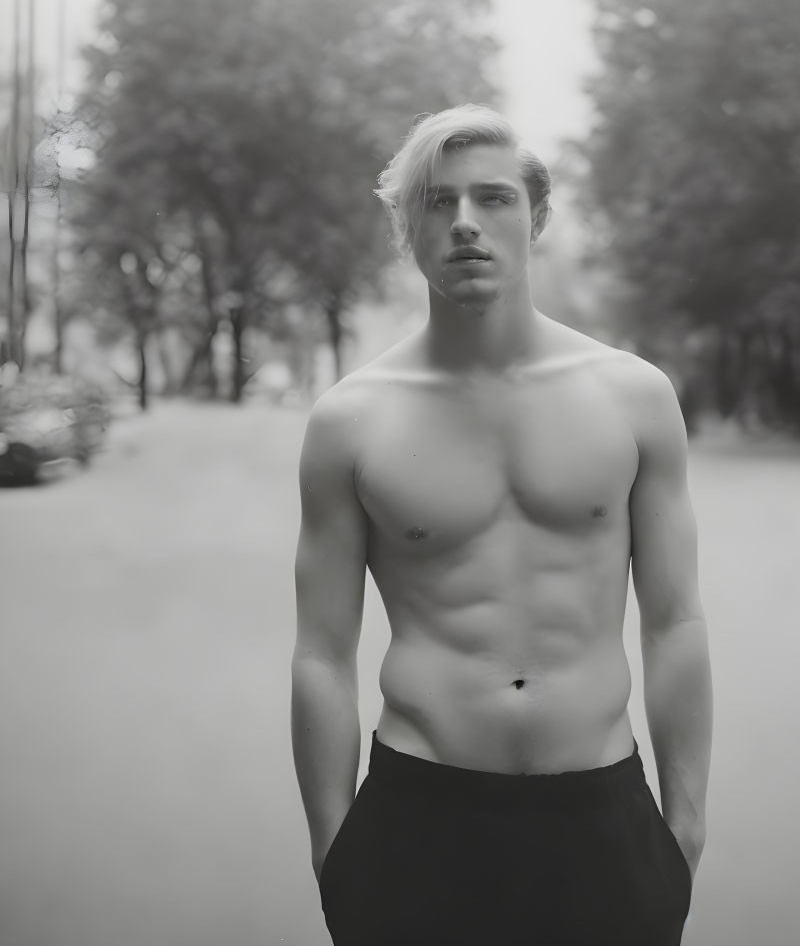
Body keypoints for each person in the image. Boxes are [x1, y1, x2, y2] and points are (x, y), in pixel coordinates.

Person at [291, 104, 713, 946]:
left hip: (601, 812)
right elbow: (321, 654)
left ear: (538, 217)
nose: (466, 225)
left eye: (494, 200)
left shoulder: (632, 398)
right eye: (438, 203)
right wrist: (334, 851)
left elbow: (675, 622)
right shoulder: (352, 421)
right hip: (418, 814)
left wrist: (685, 827)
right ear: (407, 226)